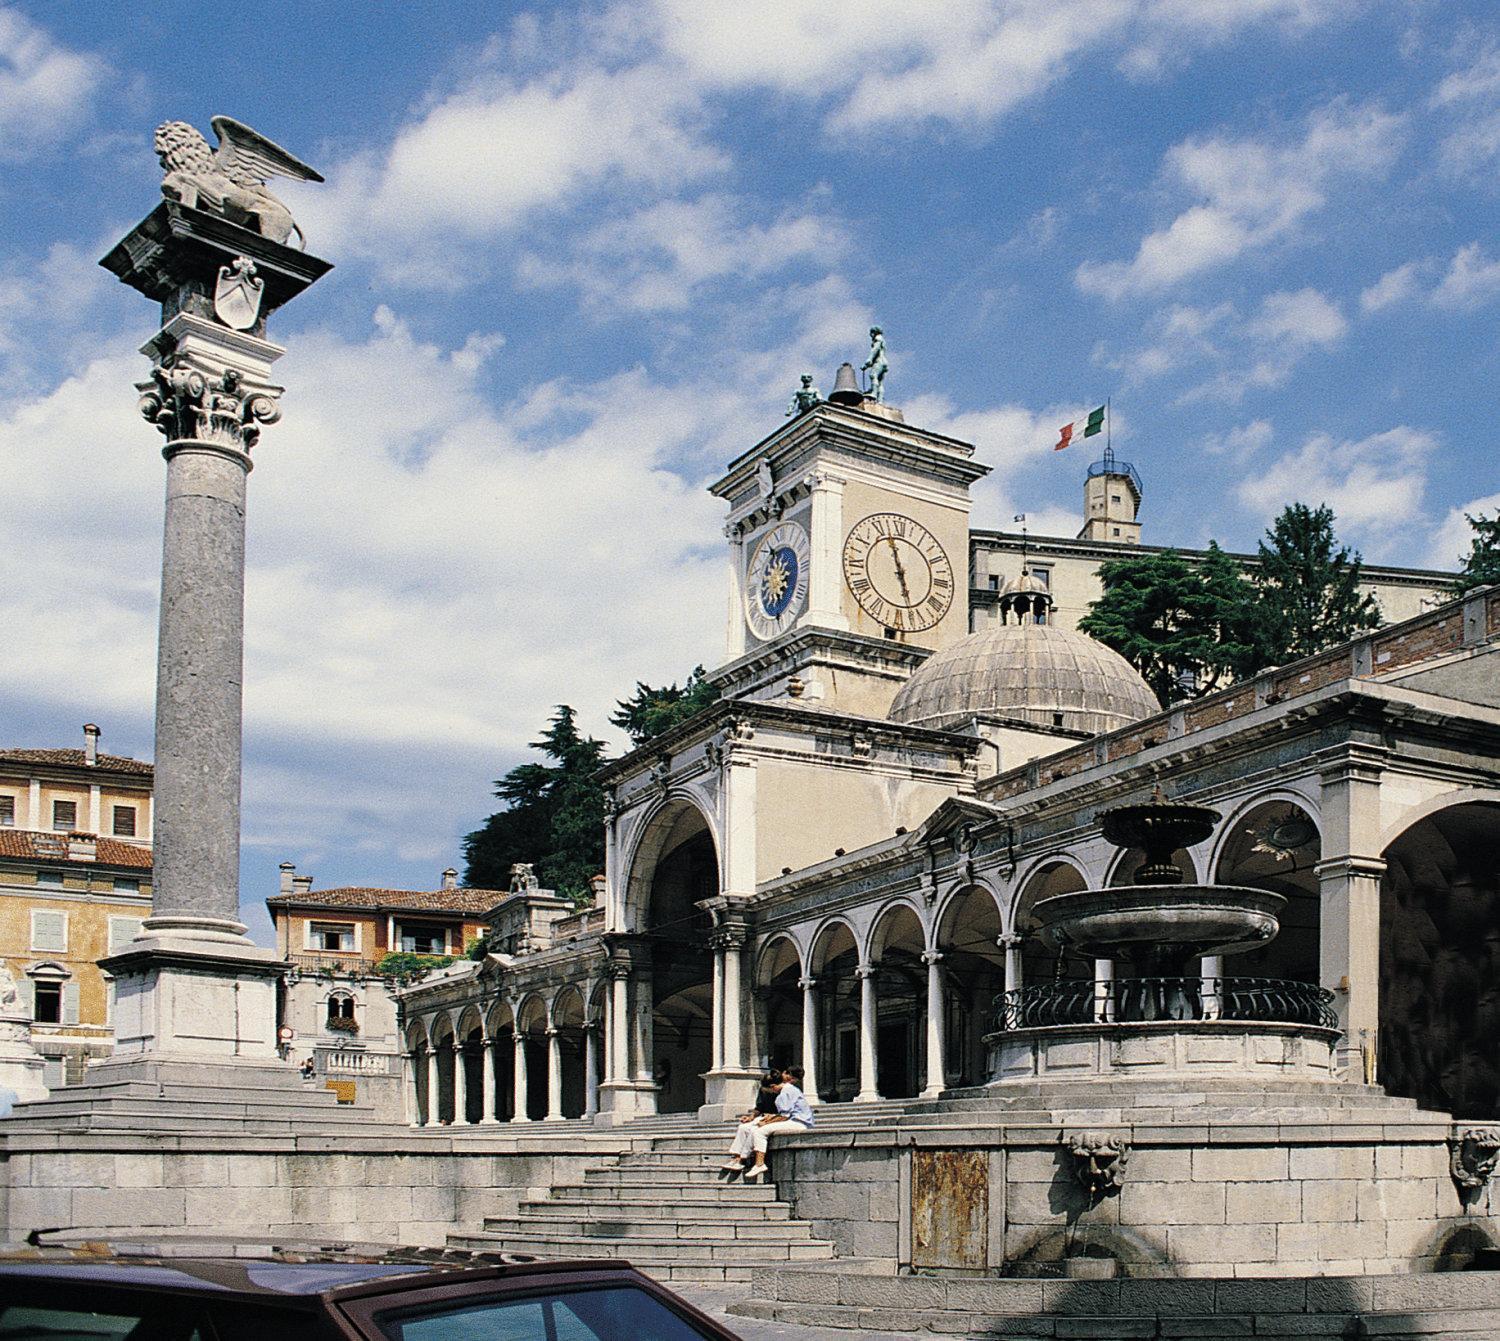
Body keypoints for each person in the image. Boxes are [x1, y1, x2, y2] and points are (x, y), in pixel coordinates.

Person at [721, 1065, 815, 1181]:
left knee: (760, 1131)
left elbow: (784, 1116)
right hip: (792, 1120)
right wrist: (765, 1120)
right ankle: (739, 1158)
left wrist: (766, 1123)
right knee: (748, 1128)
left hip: (799, 1122)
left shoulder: (787, 1091)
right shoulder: (785, 1091)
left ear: (773, 1086)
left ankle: (757, 1163)